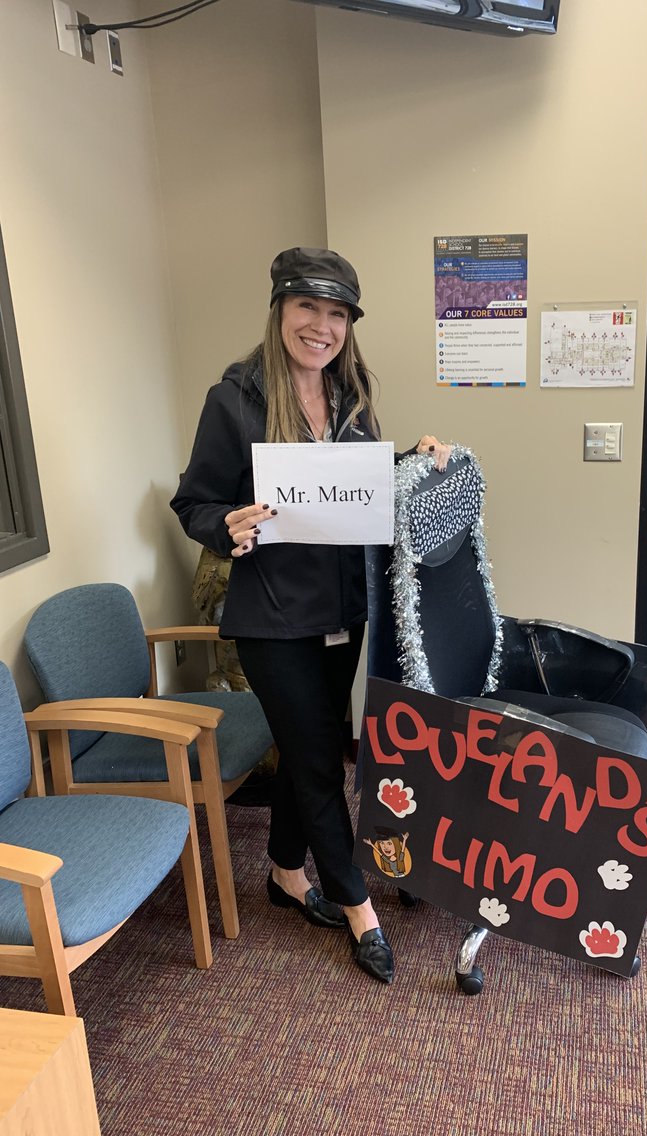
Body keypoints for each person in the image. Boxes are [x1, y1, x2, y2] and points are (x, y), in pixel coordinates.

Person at [171, 247, 451, 985]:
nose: (321, 326)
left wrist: (409, 458)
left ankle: (285, 872)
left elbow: (353, 487)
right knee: (322, 757)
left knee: (308, 748)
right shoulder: (234, 399)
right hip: (271, 616)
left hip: (342, 609)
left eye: (336, 314)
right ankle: (358, 905)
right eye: (308, 308)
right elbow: (193, 502)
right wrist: (223, 523)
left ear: (348, 325)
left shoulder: (351, 396)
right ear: (280, 310)